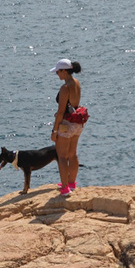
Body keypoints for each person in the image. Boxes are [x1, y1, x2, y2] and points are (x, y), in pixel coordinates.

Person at [51, 58, 88, 194]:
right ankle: (71, 183)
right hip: (78, 124)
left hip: (66, 125)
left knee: (62, 157)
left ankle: (65, 189)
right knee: (72, 154)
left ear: (64, 71)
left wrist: (54, 130)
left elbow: (61, 112)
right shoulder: (76, 83)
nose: (57, 75)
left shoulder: (65, 88)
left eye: (58, 72)